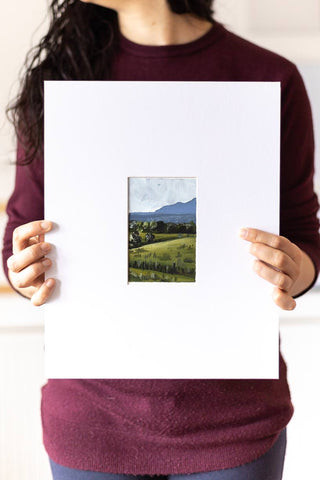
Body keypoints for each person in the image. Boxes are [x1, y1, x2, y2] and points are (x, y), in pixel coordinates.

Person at [2, 1, 320, 479]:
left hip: (234, 423)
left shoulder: (268, 77)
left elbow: (304, 238)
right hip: (91, 422)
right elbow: (18, 236)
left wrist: (296, 273)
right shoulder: (61, 81)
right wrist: (24, 270)